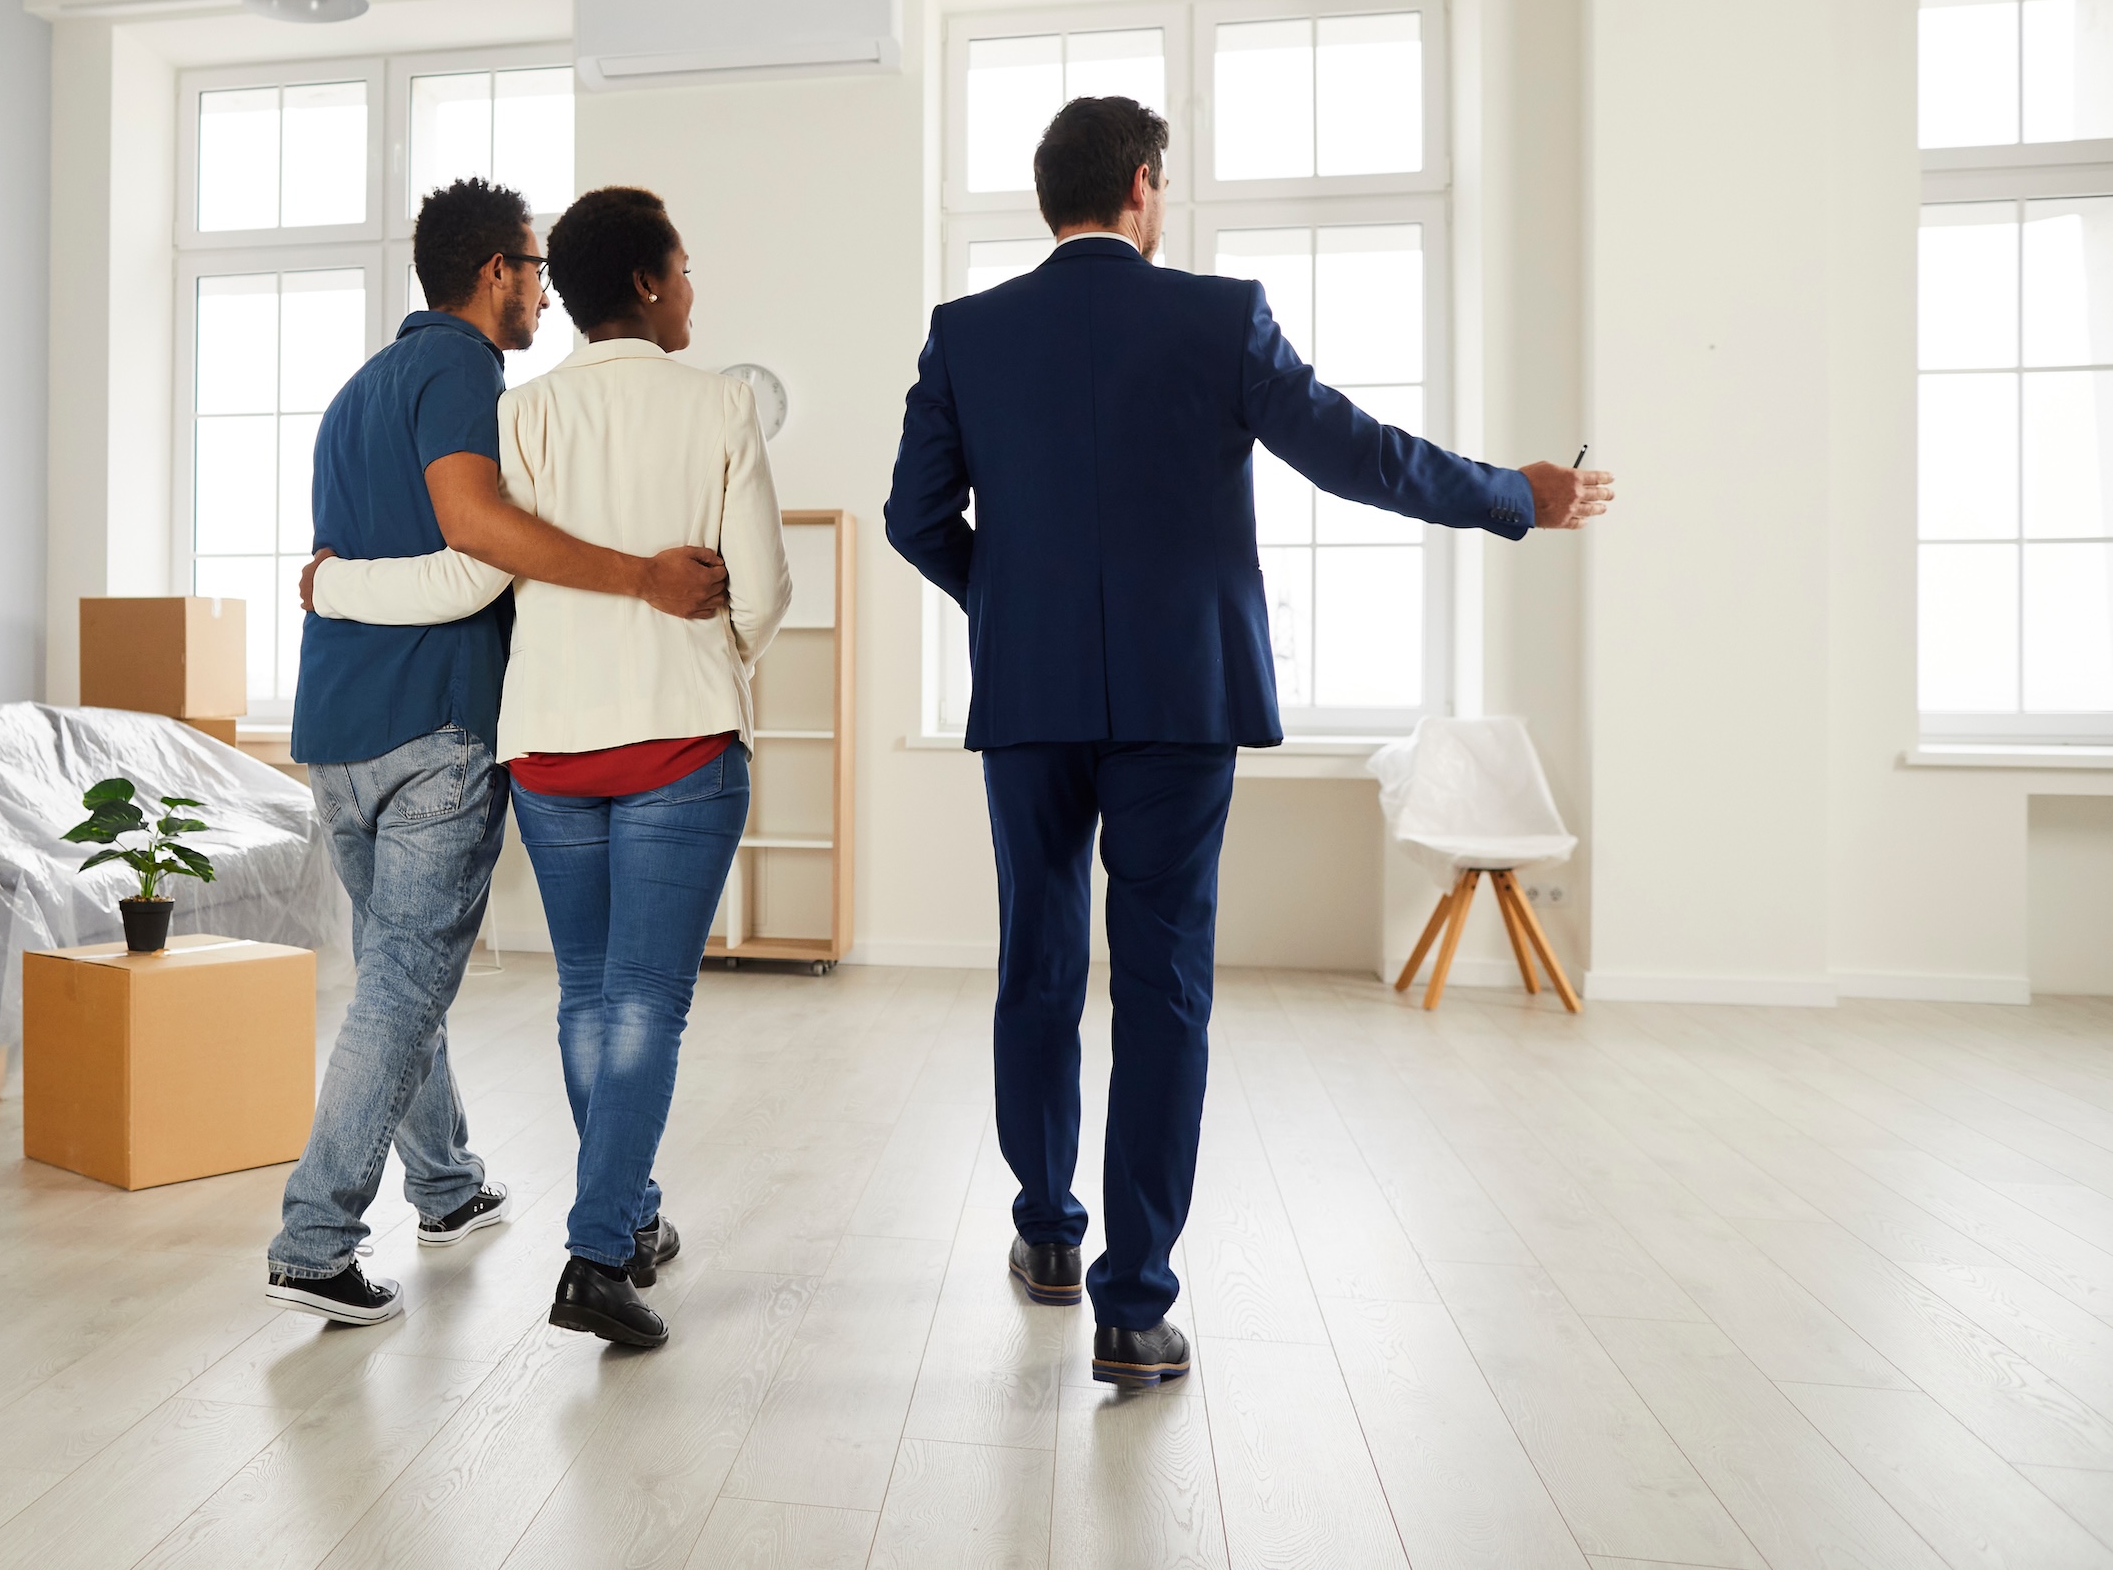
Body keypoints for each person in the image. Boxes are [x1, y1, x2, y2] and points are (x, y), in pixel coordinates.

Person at [883, 95, 1612, 1391]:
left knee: (1038, 960)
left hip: (1031, 695)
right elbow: (1358, 458)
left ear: (1052, 198)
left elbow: (912, 516)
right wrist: (1518, 494)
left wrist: (1010, 598)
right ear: (1146, 187)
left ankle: (1049, 1233)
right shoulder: (1219, 319)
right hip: (1183, 697)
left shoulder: (969, 333)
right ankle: (1132, 1301)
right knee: (1162, 985)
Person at [304, 185, 789, 1350]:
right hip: (678, 739)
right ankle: (594, 1247)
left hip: (546, 749)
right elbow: (764, 590)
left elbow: (475, 567)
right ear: (646, 281)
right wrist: (716, 647)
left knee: (585, 995)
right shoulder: (720, 401)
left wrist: (327, 583)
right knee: (649, 1001)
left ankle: (622, 1212)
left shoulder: (516, 414)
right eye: (683, 267)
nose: (690, 288)